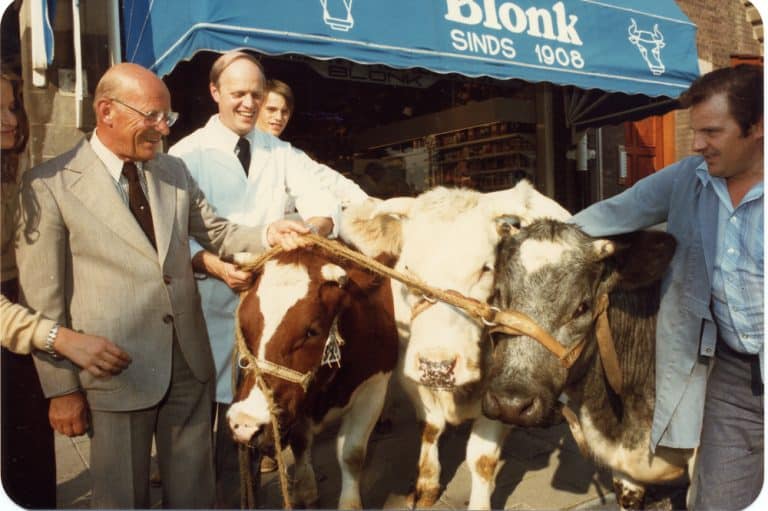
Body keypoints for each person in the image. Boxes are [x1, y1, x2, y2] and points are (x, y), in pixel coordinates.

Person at [15, 62, 311, 509]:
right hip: (115, 372)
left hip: (189, 368)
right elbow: (44, 301)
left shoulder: (172, 172)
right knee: (121, 499)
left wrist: (270, 233)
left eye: (167, 118)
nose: (162, 129)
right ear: (107, 111)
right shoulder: (49, 186)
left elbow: (218, 233)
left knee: (195, 496)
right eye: (152, 116)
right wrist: (62, 391)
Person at [569, 64, 763, 510]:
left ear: (757, 128)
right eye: (695, 131)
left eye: (711, 131)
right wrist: (529, 237)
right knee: (715, 500)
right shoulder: (688, 177)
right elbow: (613, 212)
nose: (696, 144)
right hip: (732, 374)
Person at [169, 51, 355, 505]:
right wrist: (209, 264)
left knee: (255, 415)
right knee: (198, 426)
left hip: (269, 312)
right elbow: (170, 233)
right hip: (207, 301)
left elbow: (323, 202)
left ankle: (242, 498)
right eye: (238, 94)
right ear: (215, 93)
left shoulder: (280, 151)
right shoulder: (185, 154)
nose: (249, 104)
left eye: (256, 93)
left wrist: (305, 235)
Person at [1, 62, 57, 509]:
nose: (11, 120)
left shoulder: (15, 169)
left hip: (20, 305)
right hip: (10, 320)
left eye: (12, 107)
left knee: (31, 447)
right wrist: (52, 334)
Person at [256, 78, 369, 207]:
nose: (279, 117)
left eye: (284, 112)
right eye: (271, 110)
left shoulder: (287, 153)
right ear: (255, 108)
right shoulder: (235, 146)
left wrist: (366, 202)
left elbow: (327, 179)